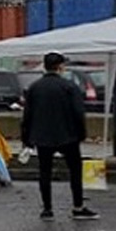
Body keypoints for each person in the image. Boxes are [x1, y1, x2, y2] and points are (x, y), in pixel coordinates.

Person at [21, 51, 98, 220]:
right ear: (60, 67)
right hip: (68, 135)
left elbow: (27, 115)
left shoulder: (34, 88)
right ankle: (78, 206)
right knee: (75, 171)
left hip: (42, 137)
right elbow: (78, 112)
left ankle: (47, 208)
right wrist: (81, 133)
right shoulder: (69, 87)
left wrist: (26, 139)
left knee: (44, 172)